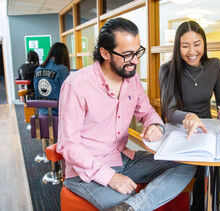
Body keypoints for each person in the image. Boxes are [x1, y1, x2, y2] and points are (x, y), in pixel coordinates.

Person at [57, 18, 196, 211]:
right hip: (84, 171)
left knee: (186, 164)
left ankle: (132, 208)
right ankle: (134, 205)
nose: (135, 61)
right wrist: (110, 177)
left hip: (121, 157)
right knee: (127, 195)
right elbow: (69, 145)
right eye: (128, 54)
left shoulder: (132, 80)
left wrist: (155, 125)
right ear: (105, 52)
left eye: (138, 52)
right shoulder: (76, 85)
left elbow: (146, 111)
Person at [159, 20, 220, 211]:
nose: (192, 51)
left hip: (208, 131)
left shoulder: (214, 65)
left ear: (204, 44)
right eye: (185, 46)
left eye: (197, 44)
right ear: (178, 47)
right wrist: (189, 117)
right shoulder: (168, 70)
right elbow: (170, 110)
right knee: (207, 178)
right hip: (182, 132)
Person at [33, 42, 70, 115]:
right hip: (57, 113)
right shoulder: (62, 69)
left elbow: (36, 90)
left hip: (40, 113)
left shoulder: (38, 69)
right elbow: (67, 93)